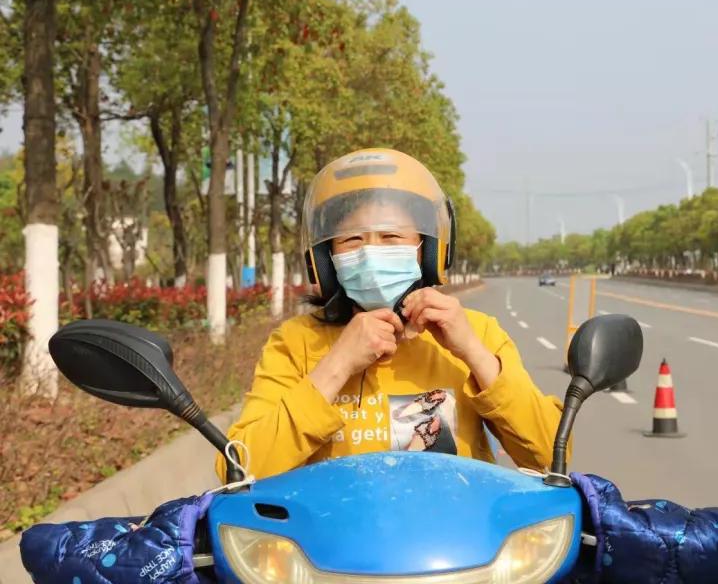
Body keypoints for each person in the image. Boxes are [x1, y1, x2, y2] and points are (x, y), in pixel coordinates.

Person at [216, 148, 566, 481]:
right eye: (352, 239)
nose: (371, 253)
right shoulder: (296, 344)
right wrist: (337, 364)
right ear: (325, 257)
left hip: (454, 539)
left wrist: (473, 352)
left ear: (426, 250)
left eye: (391, 236)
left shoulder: (478, 334)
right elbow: (238, 468)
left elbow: (551, 457)